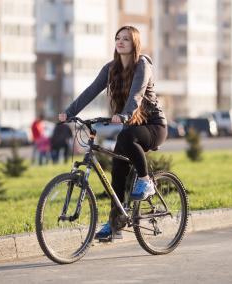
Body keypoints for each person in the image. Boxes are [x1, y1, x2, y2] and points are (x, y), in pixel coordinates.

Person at [58, 26, 167, 241]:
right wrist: (69, 113)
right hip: (131, 127)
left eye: (126, 39)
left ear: (134, 43)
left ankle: (146, 181)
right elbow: (91, 91)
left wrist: (125, 115)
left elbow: (136, 94)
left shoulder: (143, 64)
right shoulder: (111, 68)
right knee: (117, 172)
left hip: (154, 126)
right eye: (118, 38)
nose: (120, 41)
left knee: (125, 137)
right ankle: (115, 224)